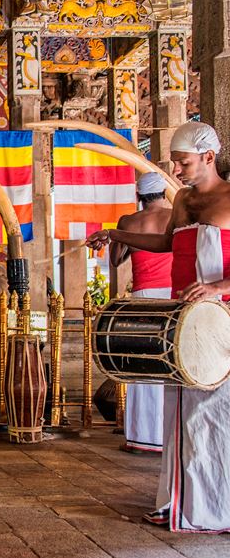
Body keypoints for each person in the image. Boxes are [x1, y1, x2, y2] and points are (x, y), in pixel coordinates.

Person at [87, 121, 230, 533]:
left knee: (212, 414)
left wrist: (218, 287)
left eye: (183, 162)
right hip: (183, 318)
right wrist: (116, 233)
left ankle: (213, 507)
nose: (178, 169)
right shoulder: (182, 200)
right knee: (181, 414)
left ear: (208, 157)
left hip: (218, 320)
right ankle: (181, 502)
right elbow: (169, 243)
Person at [109, 172, 173, 454]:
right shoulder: (175, 217)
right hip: (173, 296)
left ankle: (141, 437)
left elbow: (115, 259)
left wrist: (128, 241)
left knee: (141, 364)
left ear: (139, 196)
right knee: (170, 364)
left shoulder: (128, 222)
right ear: (163, 193)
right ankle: (168, 436)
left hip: (143, 296)